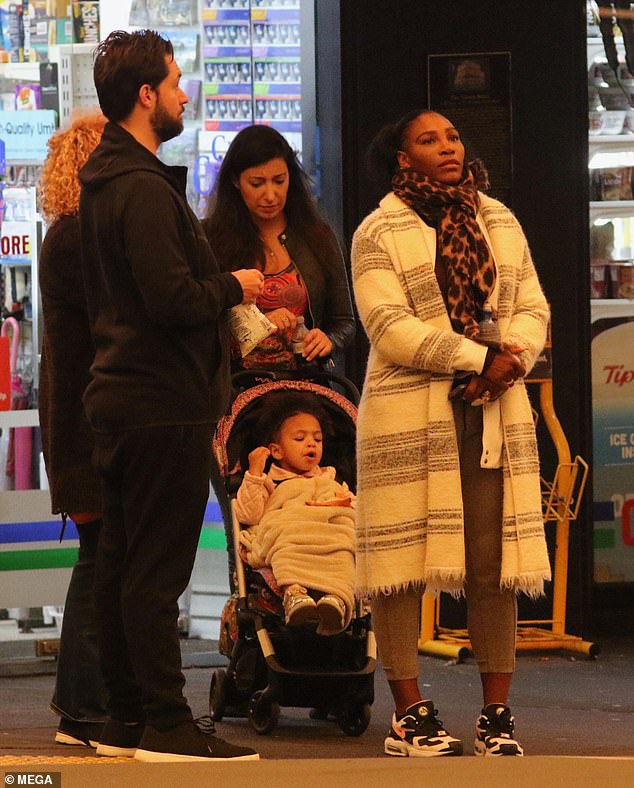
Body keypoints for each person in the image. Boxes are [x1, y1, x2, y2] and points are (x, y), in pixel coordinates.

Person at [78, 29, 263, 763]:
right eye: (176, 81)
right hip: (162, 403)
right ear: (146, 94)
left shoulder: (106, 183)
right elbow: (171, 298)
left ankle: (126, 717)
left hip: (127, 401)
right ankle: (163, 720)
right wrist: (237, 286)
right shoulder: (142, 189)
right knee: (155, 574)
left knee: (124, 566)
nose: (185, 94)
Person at [351, 109, 551, 758]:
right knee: (401, 566)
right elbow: (389, 327)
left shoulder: (498, 219)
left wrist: (512, 357)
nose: (448, 147)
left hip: (492, 411)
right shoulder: (378, 230)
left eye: (454, 136)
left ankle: (498, 714)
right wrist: (476, 359)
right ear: (402, 157)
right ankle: (409, 713)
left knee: (495, 568)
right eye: (429, 139)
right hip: (411, 416)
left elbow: (532, 306)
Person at [38, 110, 108, 749]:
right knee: (98, 563)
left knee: (101, 561)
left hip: (76, 430)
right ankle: (82, 705)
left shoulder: (65, 236)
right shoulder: (77, 241)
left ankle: (87, 701)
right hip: (87, 433)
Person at [203, 123, 355, 372]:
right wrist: (260, 325)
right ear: (235, 181)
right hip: (236, 385)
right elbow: (200, 318)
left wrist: (328, 340)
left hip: (306, 380)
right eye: (257, 183)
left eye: (279, 181)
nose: (271, 195)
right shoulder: (211, 237)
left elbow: (344, 323)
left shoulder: (318, 236)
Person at [235, 391, 355, 636]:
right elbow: (250, 515)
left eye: (318, 439)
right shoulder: (270, 483)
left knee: (344, 544)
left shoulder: (329, 478)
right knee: (285, 541)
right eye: (300, 438)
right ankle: (295, 592)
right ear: (276, 451)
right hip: (289, 533)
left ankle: (335, 597)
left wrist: (346, 508)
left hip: (328, 535)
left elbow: (352, 509)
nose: (311, 443)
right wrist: (255, 474)